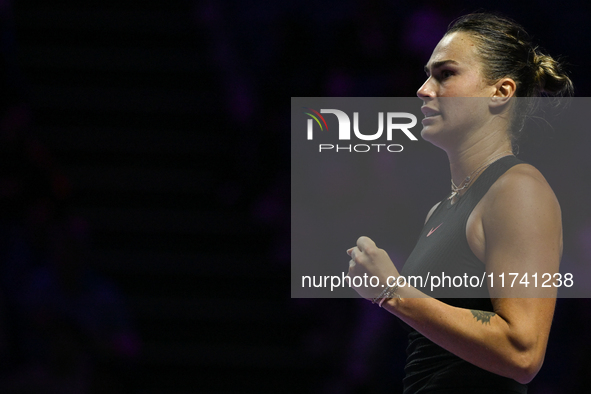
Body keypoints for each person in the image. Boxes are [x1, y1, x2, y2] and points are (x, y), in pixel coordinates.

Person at [346, 12, 573, 393]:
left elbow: (523, 353)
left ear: (501, 92)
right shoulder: (442, 208)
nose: (423, 89)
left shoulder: (518, 189)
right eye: (427, 73)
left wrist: (393, 292)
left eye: (445, 74)